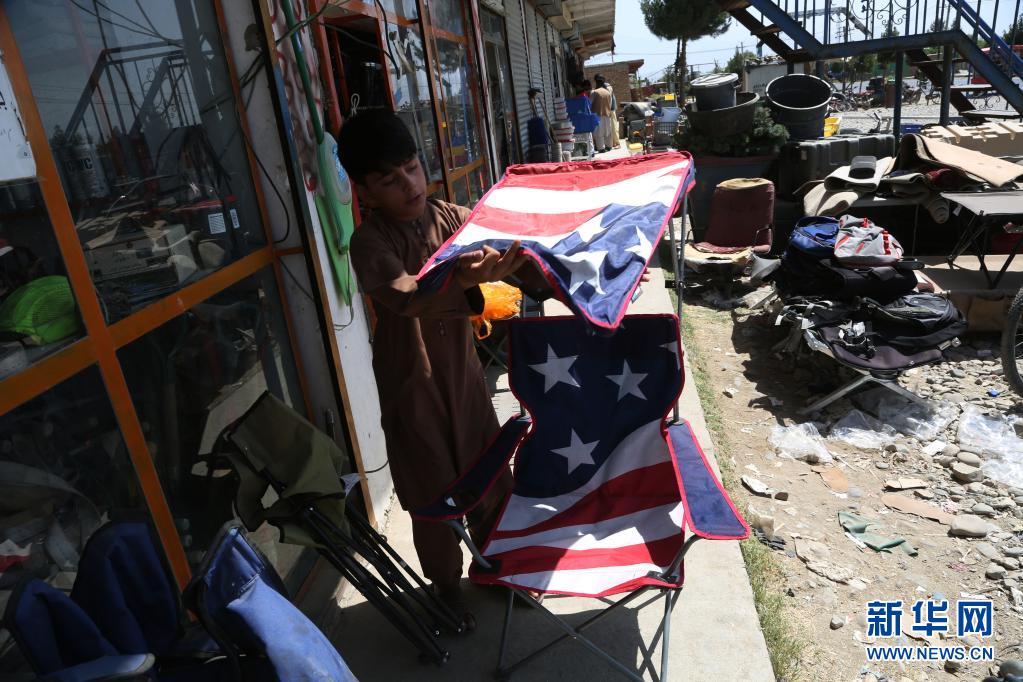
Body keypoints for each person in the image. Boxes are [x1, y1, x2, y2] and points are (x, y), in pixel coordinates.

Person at [340, 111, 541, 627]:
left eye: (411, 167)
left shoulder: (451, 217)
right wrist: (467, 281)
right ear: (365, 192)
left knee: (489, 471)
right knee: (432, 491)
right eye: (389, 179)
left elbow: (511, 244)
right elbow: (407, 296)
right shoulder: (370, 242)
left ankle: (497, 566)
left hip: (464, 376)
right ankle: (446, 587)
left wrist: (545, 262)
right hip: (412, 383)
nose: (409, 184)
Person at [589, 75, 614, 153]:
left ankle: (601, 148)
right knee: (608, 131)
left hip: (597, 115)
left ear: (596, 82)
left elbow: (589, 103)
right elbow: (610, 104)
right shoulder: (608, 92)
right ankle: (609, 146)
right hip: (607, 114)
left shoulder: (594, 92)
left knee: (599, 132)